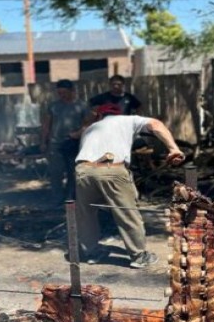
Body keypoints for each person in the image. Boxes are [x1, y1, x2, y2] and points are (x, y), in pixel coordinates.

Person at [74, 103, 184, 269]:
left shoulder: (90, 129)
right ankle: (139, 256)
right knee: (127, 212)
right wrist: (173, 148)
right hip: (111, 168)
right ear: (120, 114)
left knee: (86, 213)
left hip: (83, 169)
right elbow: (156, 124)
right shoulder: (128, 120)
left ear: (99, 116)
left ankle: (91, 253)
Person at [41, 79, 90, 203]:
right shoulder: (53, 106)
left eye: (64, 92)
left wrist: (78, 134)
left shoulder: (81, 106)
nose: (62, 95)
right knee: (56, 172)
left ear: (72, 91)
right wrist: (44, 142)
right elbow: (46, 125)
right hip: (55, 143)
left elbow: (87, 124)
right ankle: (57, 199)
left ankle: (70, 198)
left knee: (73, 172)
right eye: (59, 93)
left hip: (73, 143)